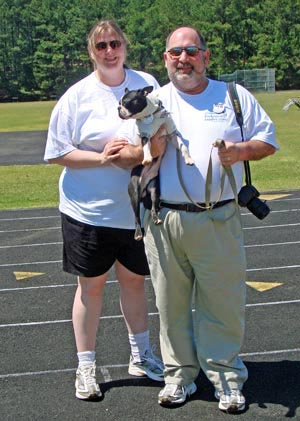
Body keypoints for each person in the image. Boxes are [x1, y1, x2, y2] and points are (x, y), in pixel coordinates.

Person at [142, 26, 278, 412]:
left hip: (219, 216)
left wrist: (240, 150)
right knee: (170, 305)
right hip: (164, 220)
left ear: (206, 56)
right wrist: (151, 146)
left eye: (191, 51)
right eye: (175, 53)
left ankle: (226, 378)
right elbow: (136, 155)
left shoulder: (233, 96)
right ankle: (179, 376)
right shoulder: (153, 101)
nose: (183, 59)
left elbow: (267, 141)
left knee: (223, 303)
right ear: (165, 58)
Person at [44, 19, 164, 401]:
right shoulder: (76, 96)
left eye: (115, 43)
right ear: (91, 52)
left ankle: (141, 356)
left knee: (134, 282)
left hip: (134, 210)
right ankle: (86, 366)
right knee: (90, 288)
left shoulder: (146, 82)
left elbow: (162, 130)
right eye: (101, 46)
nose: (109, 51)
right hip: (88, 212)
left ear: (125, 47)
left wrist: (140, 154)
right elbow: (58, 152)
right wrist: (102, 159)